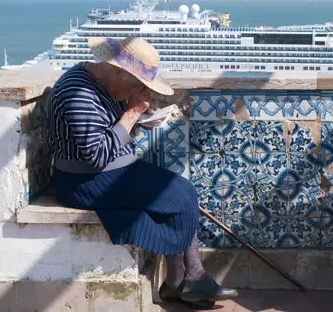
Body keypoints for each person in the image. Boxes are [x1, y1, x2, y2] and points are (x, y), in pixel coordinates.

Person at [47, 37, 238, 307]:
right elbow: (96, 156)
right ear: (118, 71)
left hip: (108, 172)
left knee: (179, 191)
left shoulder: (100, 82)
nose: (136, 91)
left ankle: (182, 281)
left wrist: (136, 120)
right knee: (180, 196)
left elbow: (106, 136)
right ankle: (186, 280)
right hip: (84, 181)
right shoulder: (78, 92)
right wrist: (132, 113)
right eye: (136, 84)